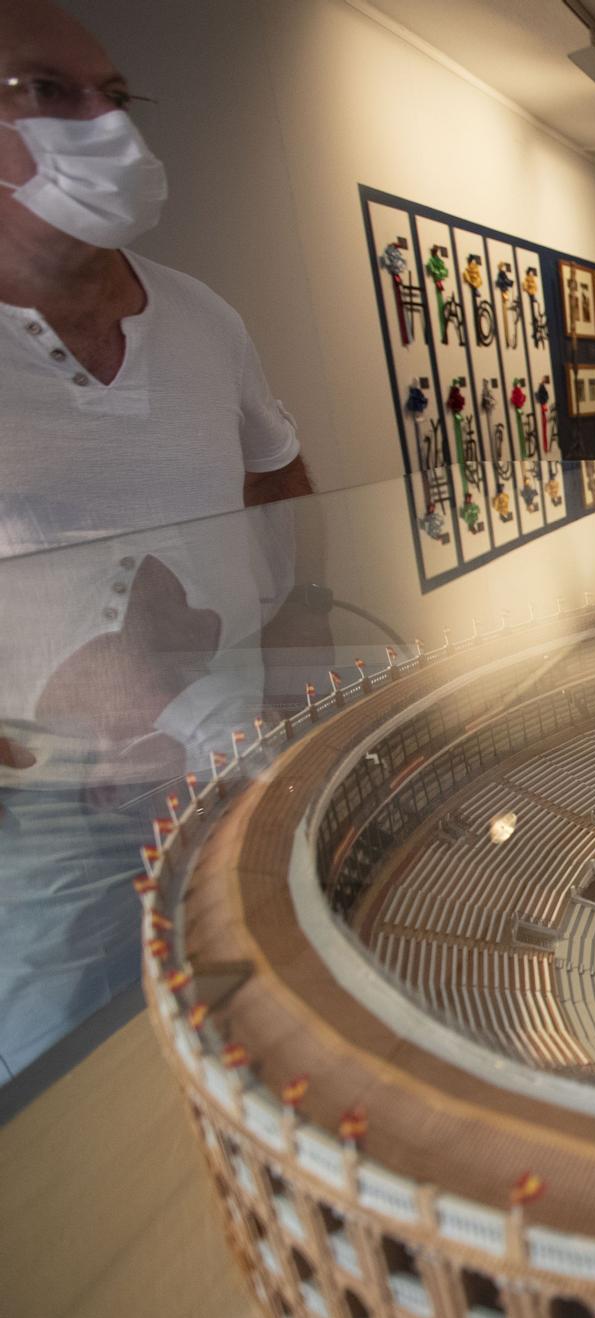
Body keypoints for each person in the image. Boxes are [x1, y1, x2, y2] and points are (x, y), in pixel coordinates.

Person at [0, 0, 313, 1082]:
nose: (104, 125)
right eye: (47, 91)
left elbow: (277, 472)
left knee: (267, 1040)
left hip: (235, 764)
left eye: (115, 97)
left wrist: (290, 656)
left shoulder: (202, 317)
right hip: (47, 818)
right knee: (73, 1083)